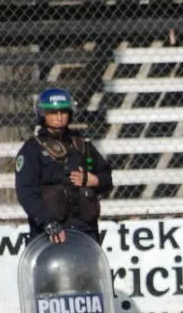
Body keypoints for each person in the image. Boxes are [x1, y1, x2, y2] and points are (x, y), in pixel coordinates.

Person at [15, 87, 113, 245]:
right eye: (53, 113)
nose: (59, 117)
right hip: (50, 232)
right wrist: (48, 222)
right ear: (42, 114)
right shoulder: (32, 149)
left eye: (63, 112)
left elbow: (107, 179)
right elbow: (25, 191)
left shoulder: (82, 145)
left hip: (85, 230)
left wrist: (93, 180)